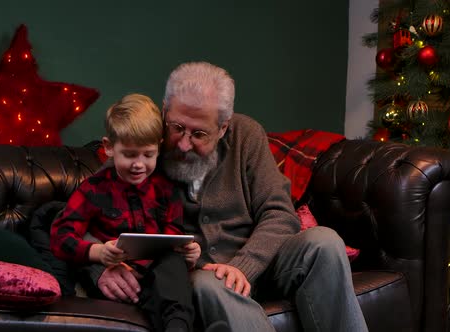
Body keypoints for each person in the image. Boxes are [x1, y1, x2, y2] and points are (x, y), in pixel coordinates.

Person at [97, 62, 369, 332]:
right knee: (209, 284)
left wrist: (243, 267)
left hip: (260, 263)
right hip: (199, 278)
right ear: (165, 110)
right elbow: (81, 217)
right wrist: (101, 270)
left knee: (323, 241)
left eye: (199, 134)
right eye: (177, 127)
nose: (182, 143)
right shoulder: (143, 147)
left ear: (223, 127)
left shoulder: (246, 135)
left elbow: (279, 213)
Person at [50, 93, 199, 332]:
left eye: (148, 155)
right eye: (129, 154)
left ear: (159, 148)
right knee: (159, 296)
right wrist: (98, 252)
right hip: (115, 275)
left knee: (172, 267)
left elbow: (174, 234)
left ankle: (179, 327)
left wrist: (187, 253)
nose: (139, 164)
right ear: (109, 147)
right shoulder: (93, 189)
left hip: (158, 275)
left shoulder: (165, 190)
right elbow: (61, 237)